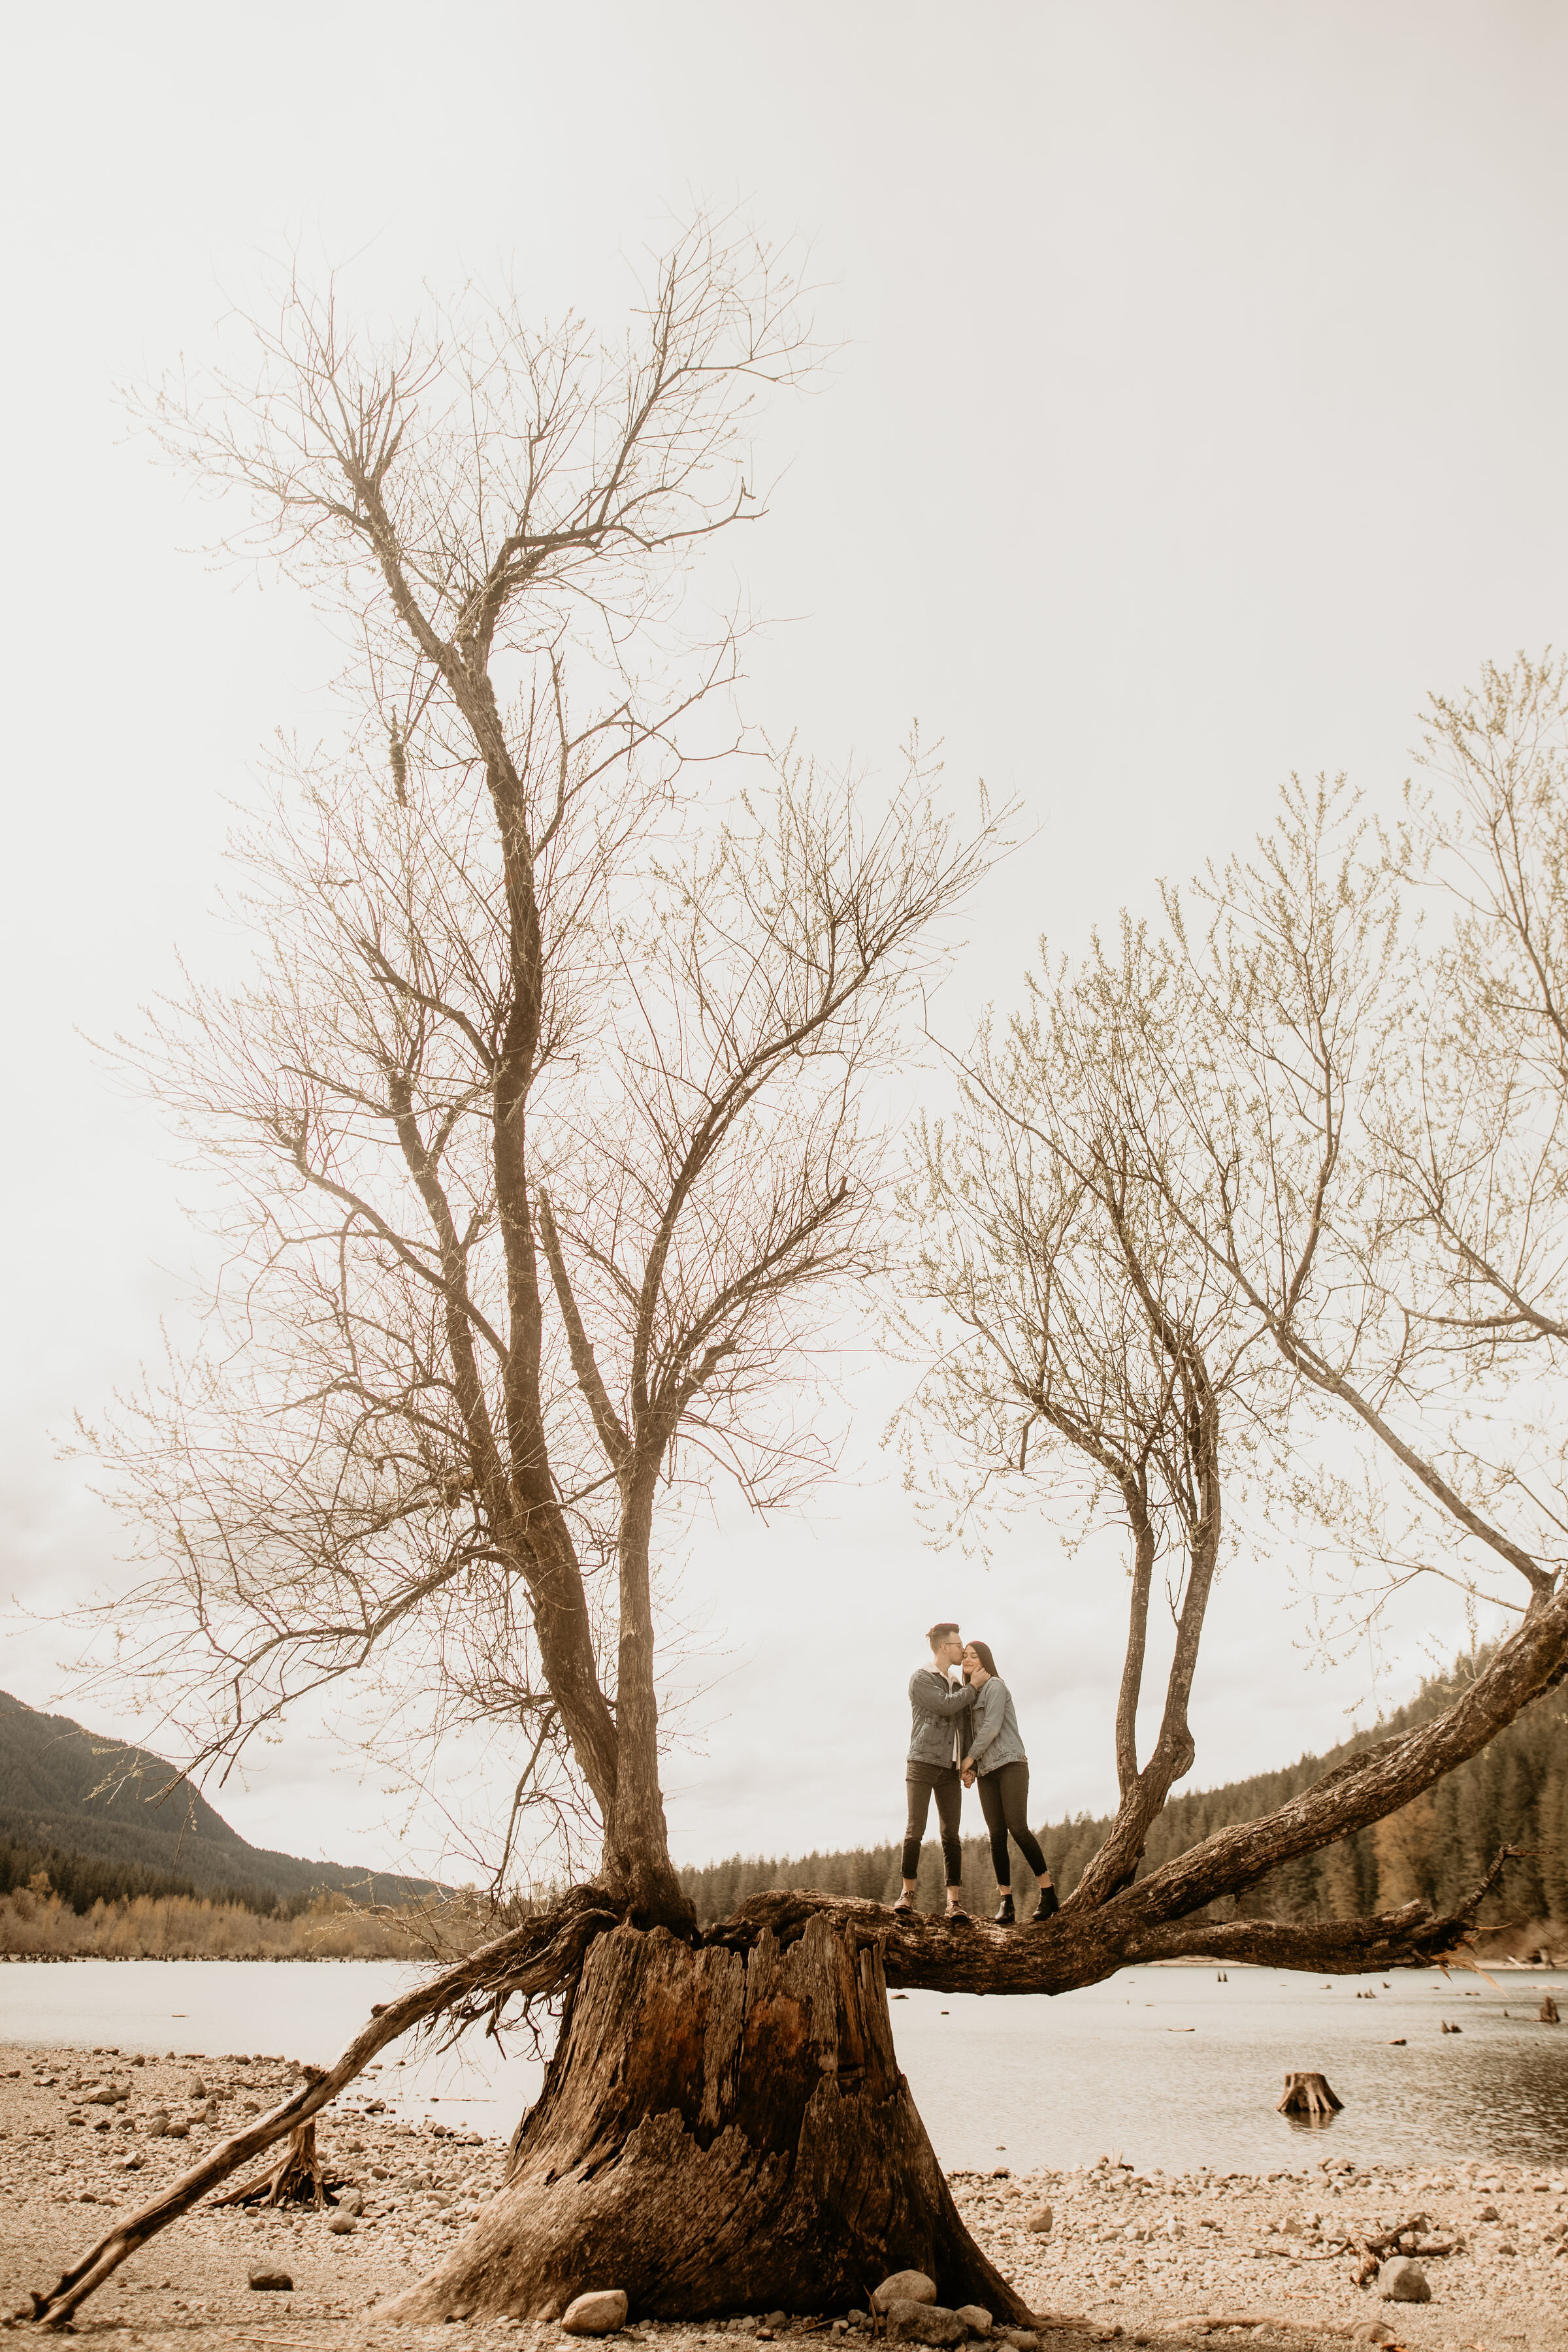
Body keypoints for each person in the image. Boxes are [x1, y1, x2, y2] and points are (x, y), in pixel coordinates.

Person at [958, 1639, 1059, 1926]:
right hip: (988, 1772)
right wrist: (973, 1769)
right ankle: (1007, 1903)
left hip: (1011, 1764)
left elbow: (990, 1727)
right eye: (965, 1656)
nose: (968, 1660)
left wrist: (968, 1758)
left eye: (974, 1656)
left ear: (985, 1661)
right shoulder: (971, 1696)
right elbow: (971, 1734)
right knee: (996, 1835)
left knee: (1018, 1828)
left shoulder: (996, 1687)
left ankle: (1048, 1893)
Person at [896, 1622, 978, 1918]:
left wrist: (970, 1764)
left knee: (951, 1835)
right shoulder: (921, 1678)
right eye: (959, 1645)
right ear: (945, 1647)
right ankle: (907, 1894)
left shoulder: (958, 1684)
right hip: (921, 1762)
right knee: (915, 1829)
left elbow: (963, 1727)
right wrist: (973, 1688)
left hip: (949, 1769)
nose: (962, 1650)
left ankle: (953, 1903)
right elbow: (945, 1706)